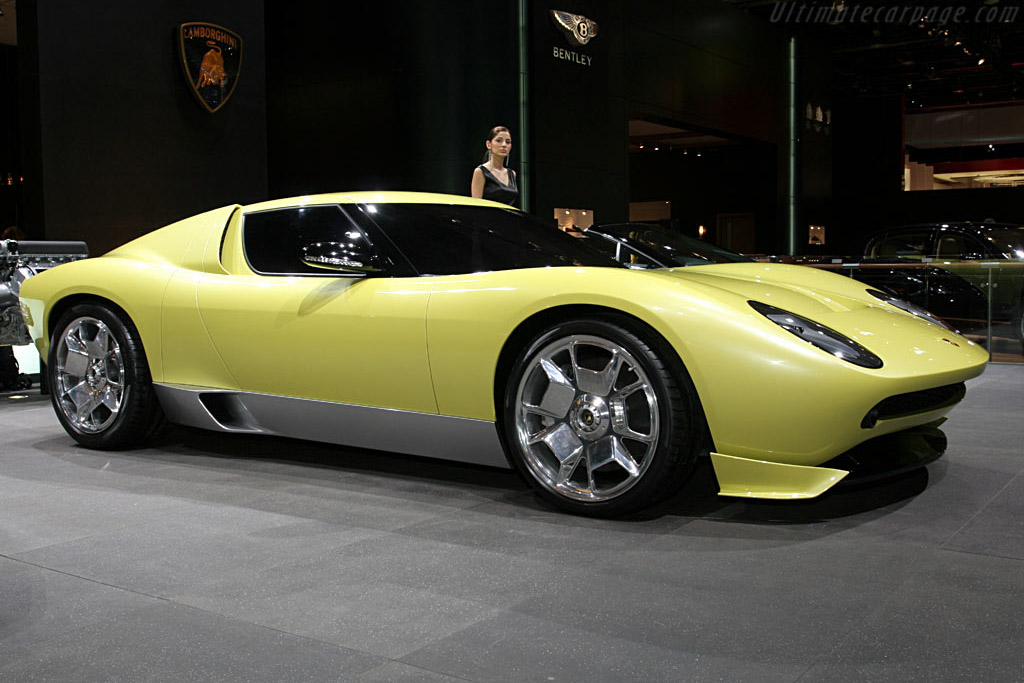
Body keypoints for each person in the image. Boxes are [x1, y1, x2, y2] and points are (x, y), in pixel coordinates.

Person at [471, 126, 519, 207]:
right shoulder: (481, 172)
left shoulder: (512, 174)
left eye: (508, 142)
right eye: (499, 140)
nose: (504, 145)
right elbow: (476, 206)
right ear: (488, 144)